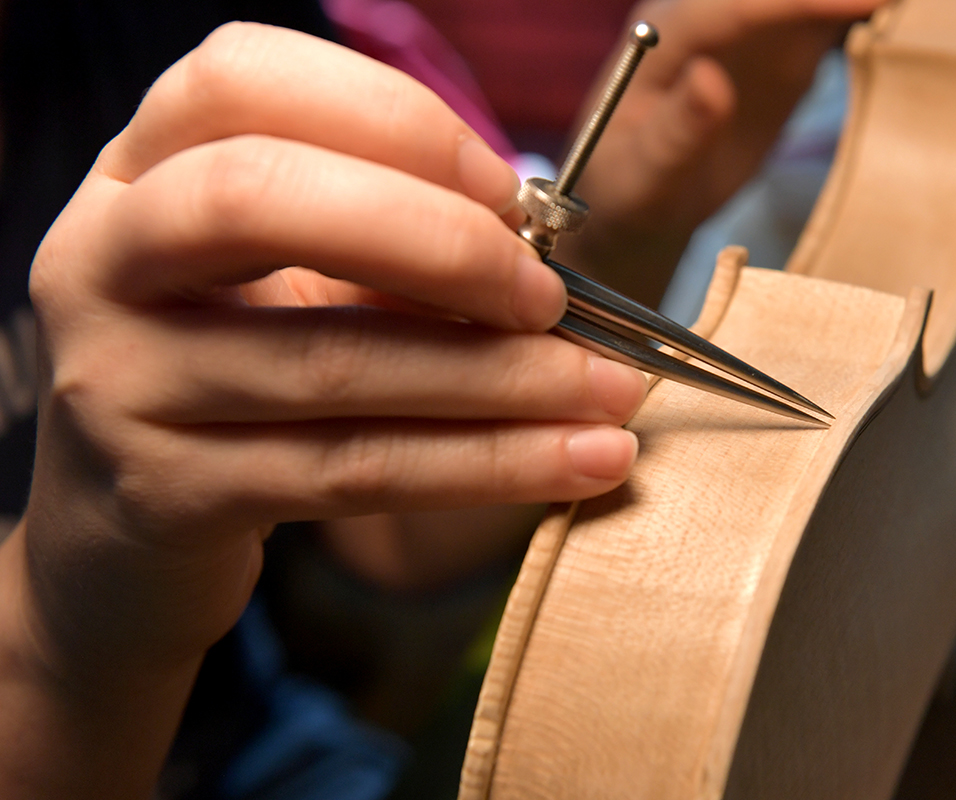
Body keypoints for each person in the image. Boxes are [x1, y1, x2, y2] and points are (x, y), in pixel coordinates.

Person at [0, 0, 880, 796]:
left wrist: (618, 236)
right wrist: (58, 645)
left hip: (260, 742)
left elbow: (387, 530)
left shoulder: (139, 28)